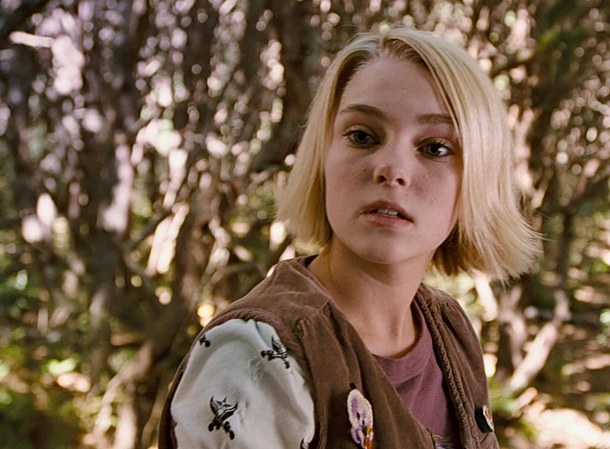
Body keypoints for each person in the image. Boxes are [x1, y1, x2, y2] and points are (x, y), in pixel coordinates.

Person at [159, 26, 541, 449]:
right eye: (362, 136)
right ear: (323, 156)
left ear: (478, 177)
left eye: (434, 147)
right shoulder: (256, 354)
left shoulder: (449, 329)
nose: (391, 169)